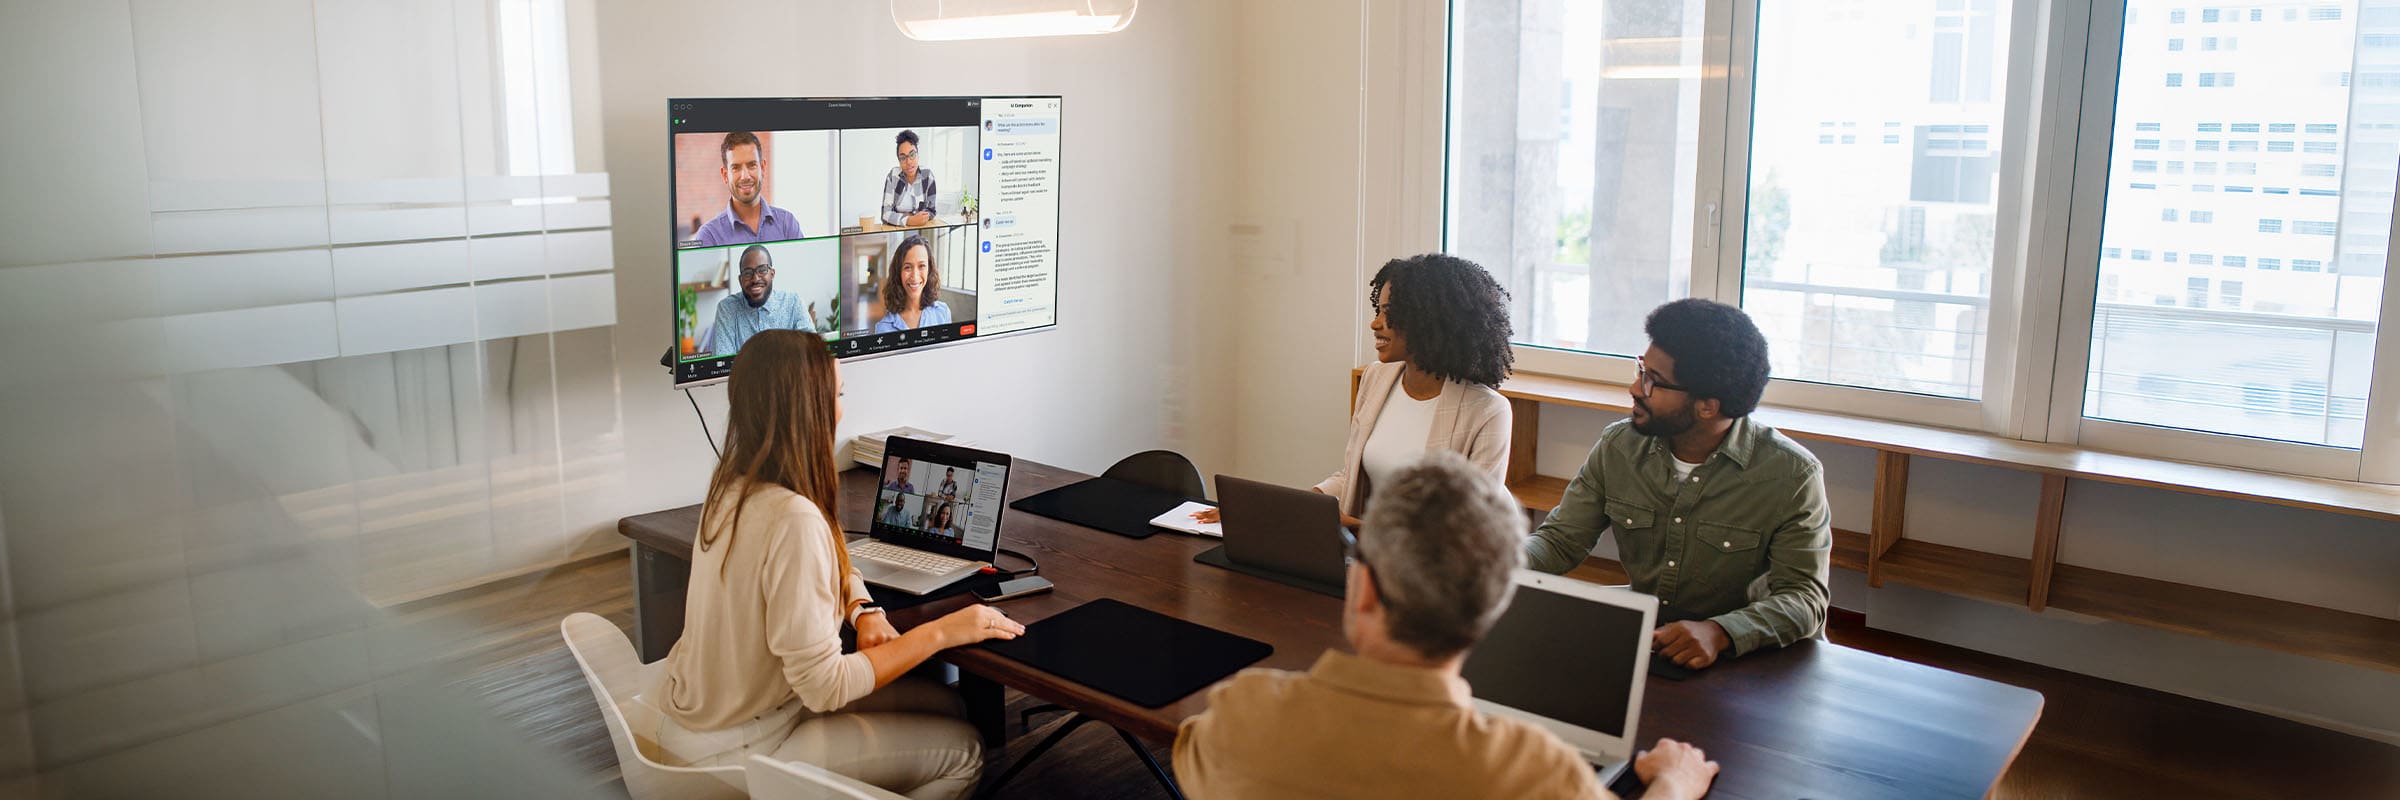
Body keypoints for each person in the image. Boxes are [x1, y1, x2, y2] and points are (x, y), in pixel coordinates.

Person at [1172, 451, 1721, 800]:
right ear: (1498, 609)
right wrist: (1674, 783)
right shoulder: (1537, 772)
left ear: (1364, 589)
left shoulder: (1244, 714)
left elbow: (1194, 756)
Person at [641, 329, 1024, 800]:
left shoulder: (733, 487)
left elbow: (834, 558)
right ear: (810, 408)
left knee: (947, 703)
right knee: (965, 750)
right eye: (837, 395)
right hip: (743, 747)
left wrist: (863, 610)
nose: (842, 409)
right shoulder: (792, 518)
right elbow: (825, 688)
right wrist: (943, 632)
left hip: (703, 717)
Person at [1523, 299, 1831, 671]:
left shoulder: (1792, 475)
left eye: (1653, 380)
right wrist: (1494, 566)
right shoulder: (1619, 446)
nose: (1635, 388)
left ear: (1707, 407)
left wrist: (1721, 632)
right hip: (1654, 643)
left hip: (1749, 659)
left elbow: (1804, 599)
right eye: (1641, 369)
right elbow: (1560, 540)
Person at [1193, 253, 1514, 528]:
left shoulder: (1486, 411)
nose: (1375, 324)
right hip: (1367, 555)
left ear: (1432, 320)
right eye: (1378, 310)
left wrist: (1349, 527)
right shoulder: (1377, 379)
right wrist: (1278, 508)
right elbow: (1351, 478)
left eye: (1390, 313)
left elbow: (1466, 527)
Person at [711, 245, 829, 355]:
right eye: (747, 273)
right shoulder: (727, 308)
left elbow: (812, 353)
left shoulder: (793, 303)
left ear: (772, 274)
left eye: (762, 270)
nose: (755, 279)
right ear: (740, 280)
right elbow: (723, 361)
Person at [695, 131, 803, 245]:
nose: (745, 176)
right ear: (725, 175)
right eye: (736, 168)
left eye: (752, 165)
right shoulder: (710, 235)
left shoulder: (787, 224)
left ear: (763, 168)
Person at [871, 235, 951, 333]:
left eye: (922, 266)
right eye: (907, 267)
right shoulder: (883, 328)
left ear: (929, 270)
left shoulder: (943, 312)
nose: (915, 276)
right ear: (898, 272)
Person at [880, 130, 939, 227]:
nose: (909, 162)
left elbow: (931, 211)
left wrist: (900, 216)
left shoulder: (928, 176)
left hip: (922, 228)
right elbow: (885, 214)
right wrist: (909, 220)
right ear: (899, 160)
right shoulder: (893, 176)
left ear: (918, 155)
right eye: (903, 158)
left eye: (912, 155)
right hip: (897, 230)